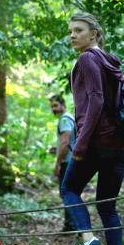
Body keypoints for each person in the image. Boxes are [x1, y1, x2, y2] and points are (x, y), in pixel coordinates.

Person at [60, 12, 124, 245]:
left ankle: (87, 240)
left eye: (78, 30)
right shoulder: (113, 63)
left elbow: (96, 101)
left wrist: (80, 144)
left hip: (98, 142)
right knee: (107, 205)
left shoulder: (88, 59)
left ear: (93, 34)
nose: (72, 35)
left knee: (68, 189)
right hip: (120, 144)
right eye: (70, 31)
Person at [49, 94, 76, 232]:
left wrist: (58, 163)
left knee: (67, 192)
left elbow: (65, 141)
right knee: (69, 192)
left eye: (55, 105)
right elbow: (66, 141)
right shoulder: (69, 118)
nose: (53, 109)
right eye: (52, 106)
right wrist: (57, 149)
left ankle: (72, 225)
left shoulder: (65, 119)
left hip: (67, 162)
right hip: (71, 160)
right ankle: (71, 224)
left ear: (62, 104)